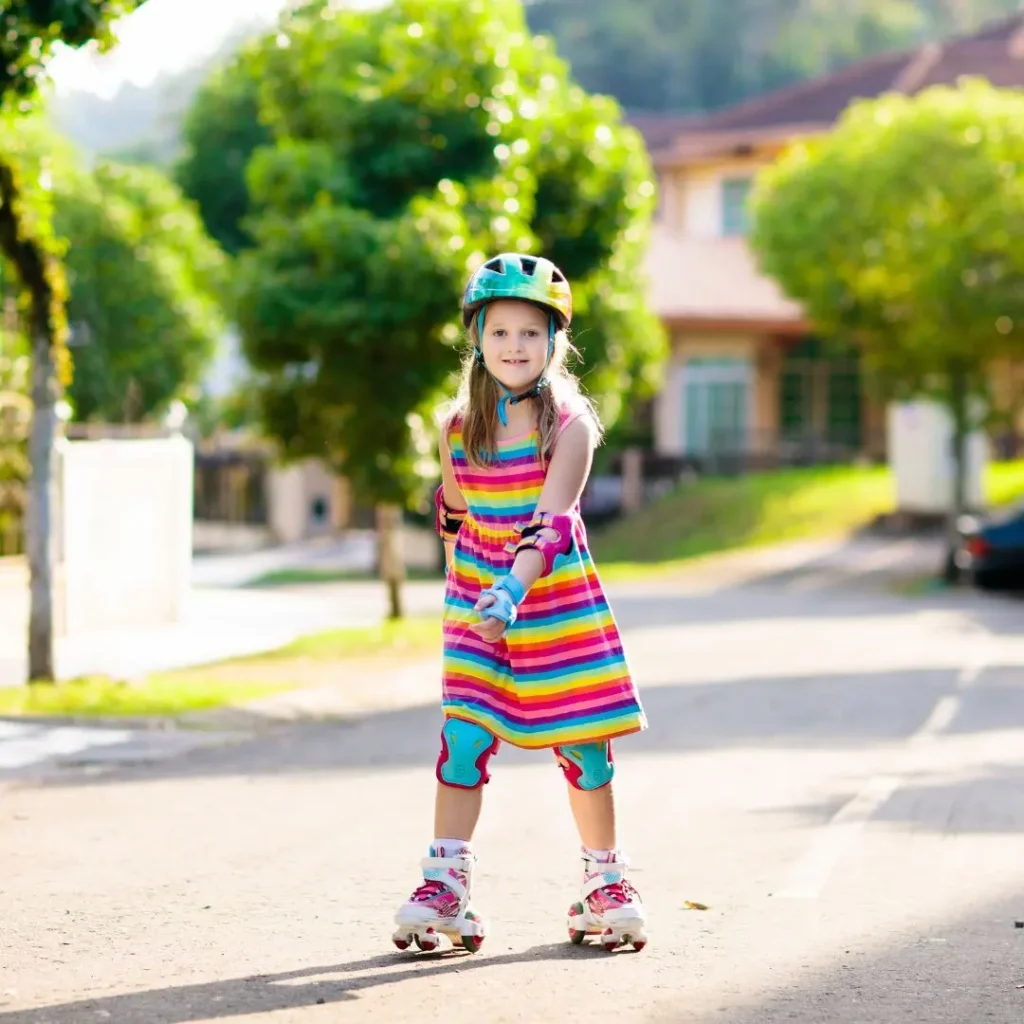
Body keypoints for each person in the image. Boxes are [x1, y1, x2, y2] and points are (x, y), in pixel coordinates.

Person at [391, 253, 648, 955]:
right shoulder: (455, 427)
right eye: (500, 330)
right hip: (481, 608)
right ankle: (444, 885)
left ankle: (606, 885)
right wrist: (467, 600)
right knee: (463, 740)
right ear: (477, 336)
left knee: (584, 750)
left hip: (555, 601)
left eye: (530, 333)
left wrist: (514, 586)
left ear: (554, 342)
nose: (514, 346)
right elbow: (453, 516)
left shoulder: (570, 425)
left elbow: (552, 521)